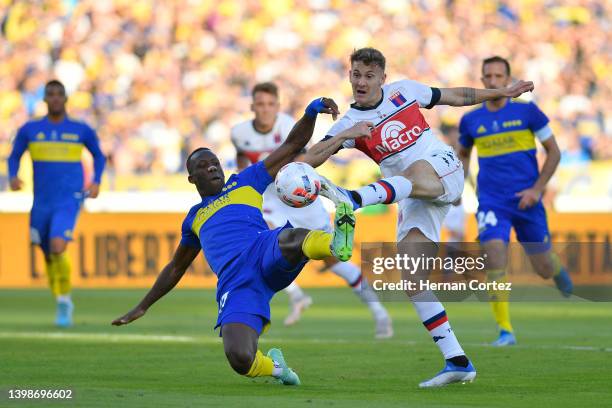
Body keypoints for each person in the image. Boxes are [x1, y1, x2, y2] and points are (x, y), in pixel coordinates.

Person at [301, 47, 535, 387]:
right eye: (356, 75)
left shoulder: (404, 92)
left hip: (441, 167)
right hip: (410, 196)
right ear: (349, 76)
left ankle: (352, 199)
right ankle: (457, 361)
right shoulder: (350, 122)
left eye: (369, 76)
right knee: (412, 278)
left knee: (411, 170)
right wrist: (341, 136)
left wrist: (501, 92)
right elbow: (309, 160)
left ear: (383, 77)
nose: (361, 82)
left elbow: (454, 95)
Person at [112, 97, 364, 386]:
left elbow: (292, 146)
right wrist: (143, 306)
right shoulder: (194, 219)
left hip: (262, 249)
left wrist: (310, 112)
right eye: (204, 166)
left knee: (291, 235)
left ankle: (334, 246)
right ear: (191, 178)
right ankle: (277, 368)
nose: (212, 168)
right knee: (240, 357)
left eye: (215, 163)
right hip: (236, 283)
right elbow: (175, 267)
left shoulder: (245, 182)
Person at [231, 82, 392, 337]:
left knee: (337, 260)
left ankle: (380, 313)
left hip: (300, 197)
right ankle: (296, 296)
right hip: (271, 201)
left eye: (270, 104)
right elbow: (243, 163)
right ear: (252, 106)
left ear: (278, 106)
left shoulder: (286, 126)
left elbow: (304, 160)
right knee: (260, 245)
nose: (265, 110)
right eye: (260, 104)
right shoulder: (239, 133)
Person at [457, 56, 573, 347]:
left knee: (543, 268)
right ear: (482, 81)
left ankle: (555, 269)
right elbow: (462, 155)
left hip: (527, 201)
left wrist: (536, 189)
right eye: (488, 76)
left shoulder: (528, 112)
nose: (494, 81)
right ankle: (505, 330)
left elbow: (554, 152)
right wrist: (457, 188)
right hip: (492, 202)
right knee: (494, 256)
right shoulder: (470, 120)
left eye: (499, 76)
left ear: (508, 80)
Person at [7, 79, 105, 327]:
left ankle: (64, 302)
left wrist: (95, 181)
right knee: (48, 254)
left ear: (66, 99)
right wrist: (13, 176)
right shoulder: (30, 129)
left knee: (58, 245)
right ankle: (61, 297)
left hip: (69, 199)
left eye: (59, 94)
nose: (55, 98)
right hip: (41, 202)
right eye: (50, 94)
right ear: (44, 100)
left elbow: (99, 155)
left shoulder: (80, 130)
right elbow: (14, 155)